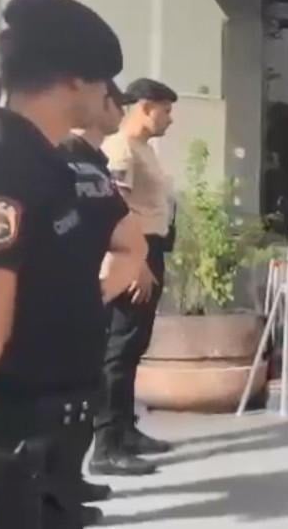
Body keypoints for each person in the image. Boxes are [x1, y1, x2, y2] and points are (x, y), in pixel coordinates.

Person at [0, 0, 124, 528]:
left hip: (44, 446)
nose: (106, 93)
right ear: (73, 80)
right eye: (101, 81)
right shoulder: (8, 161)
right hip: (12, 441)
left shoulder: (45, 160)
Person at [58, 83, 150, 524]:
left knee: (85, 387)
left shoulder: (94, 159)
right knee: (67, 394)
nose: (121, 111)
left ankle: (69, 481)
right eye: (117, 103)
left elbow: (118, 223)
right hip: (71, 288)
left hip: (94, 287)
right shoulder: (62, 156)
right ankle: (58, 489)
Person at [92, 77, 179, 477]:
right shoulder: (122, 148)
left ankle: (125, 430)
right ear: (145, 107)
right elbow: (118, 209)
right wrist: (137, 262)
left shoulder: (143, 148)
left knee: (134, 345)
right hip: (135, 253)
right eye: (166, 110)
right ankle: (106, 445)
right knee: (119, 347)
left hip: (150, 248)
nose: (170, 119)